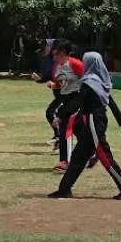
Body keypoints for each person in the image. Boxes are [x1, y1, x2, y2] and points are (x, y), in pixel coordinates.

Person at [48, 52, 121, 200]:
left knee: (104, 154)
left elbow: (77, 101)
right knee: (78, 156)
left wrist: (60, 116)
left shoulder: (89, 82)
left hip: (94, 121)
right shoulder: (100, 81)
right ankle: (64, 189)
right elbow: (111, 102)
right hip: (93, 120)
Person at [49, 40, 85, 172]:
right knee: (79, 130)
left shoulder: (75, 64)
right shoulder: (57, 66)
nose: (54, 58)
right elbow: (60, 83)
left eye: (56, 55)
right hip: (65, 99)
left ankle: (65, 161)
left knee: (65, 127)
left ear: (64, 54)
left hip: (76, 98)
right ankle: (91, 152)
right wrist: (55, 85)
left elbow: (87, 79)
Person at [30, 38, 60, 146]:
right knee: (53, 114)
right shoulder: (48, 60)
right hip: (58, 94)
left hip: (66, 94)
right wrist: (38, 79)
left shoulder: (58, 61)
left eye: (48, 46)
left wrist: (56, 85)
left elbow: (66, 79)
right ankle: (59, 136)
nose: (46, 48)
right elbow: (48, 77)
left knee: (53, 114)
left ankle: (60, 137)